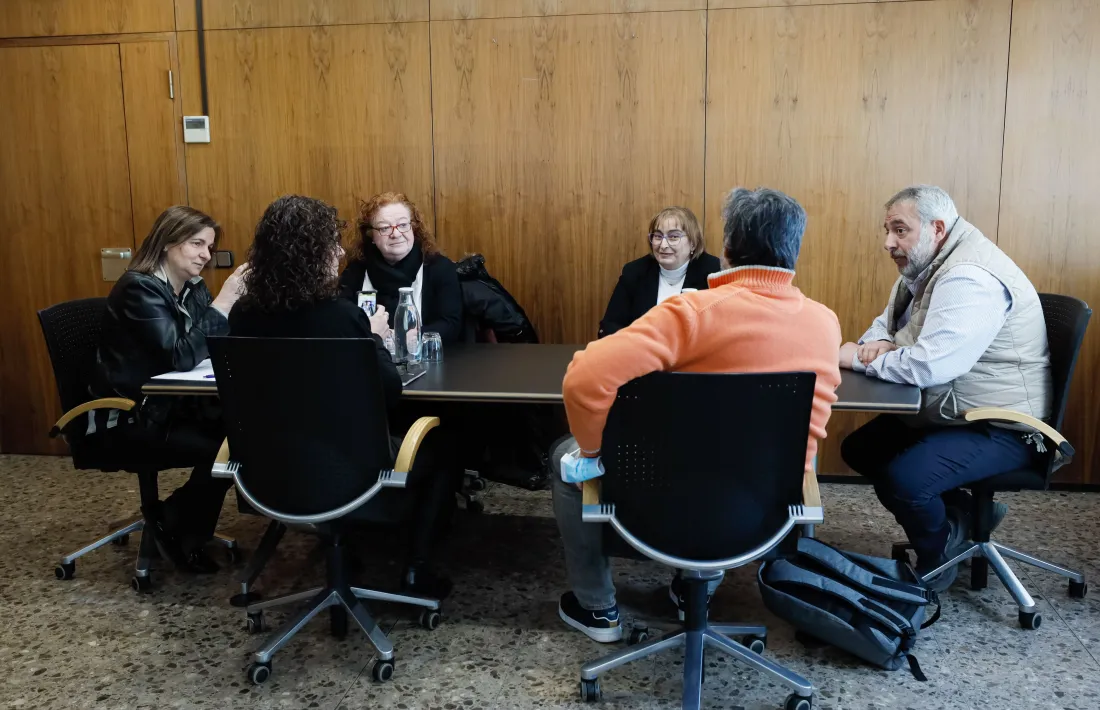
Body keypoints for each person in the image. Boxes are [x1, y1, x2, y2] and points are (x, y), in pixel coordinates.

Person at [553, 188, 843, 642]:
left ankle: (597, 608)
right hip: (764, 514)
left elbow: (583, 380)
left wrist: (592, 451)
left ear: (726, 250)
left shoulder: (687, 313)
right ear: (795, 250)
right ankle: (698, 590)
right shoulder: (825, 322)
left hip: (658, 503)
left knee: (563, 458)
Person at [230, 195, 459, 598]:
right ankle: (415, 568)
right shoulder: (341, 317)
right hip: (346, 466)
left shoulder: (244, 314)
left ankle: (345, 548)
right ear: (311, 253)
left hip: (266, 466)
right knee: (444, 446)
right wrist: (370, 334)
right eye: (330, 243)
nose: (339, 251)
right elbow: (386, 392)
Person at [838, 185, 1052, 592]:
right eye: (887, 230)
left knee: (904, 481)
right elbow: (884, 325)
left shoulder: (968, 277)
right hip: (958, 408)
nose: (888, 242)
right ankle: (966, 516)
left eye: (900, 230)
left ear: (937, 228)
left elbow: (931, 365)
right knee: (861, 448)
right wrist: (872, 347)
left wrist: (853, 357)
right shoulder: (922, 269)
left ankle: (938, 555)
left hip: (1003, 424)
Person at [95, 206, 249, 573]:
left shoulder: (191, 287)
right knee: (225, 450)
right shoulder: (138, 288)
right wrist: (224, 302)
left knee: (244, 434)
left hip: (175, 406)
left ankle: (174, 521)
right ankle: (174, 525)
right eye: (197, 244)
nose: (205, 255)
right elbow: (180, 355)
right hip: (135, 415)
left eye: (209, 247)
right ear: (167, 243)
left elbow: (213, 341)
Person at [338, 192, 463, 345]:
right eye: (385, 228)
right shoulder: (356, 270)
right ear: (371, 235)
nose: (396, 234)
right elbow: (340, 320)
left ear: (414, 229)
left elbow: (451, 325)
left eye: (403, 225)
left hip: (423, 360)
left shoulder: (439, 268)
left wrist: (410, 337)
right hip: (370, 360)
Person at [598, 206, 721, 338]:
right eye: (658, 236)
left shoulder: (714, 272)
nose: (663, 245)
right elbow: (609, 326)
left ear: (693, 243)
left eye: (673, 237)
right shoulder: (634, 272)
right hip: (644, 354)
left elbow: (722, 329)